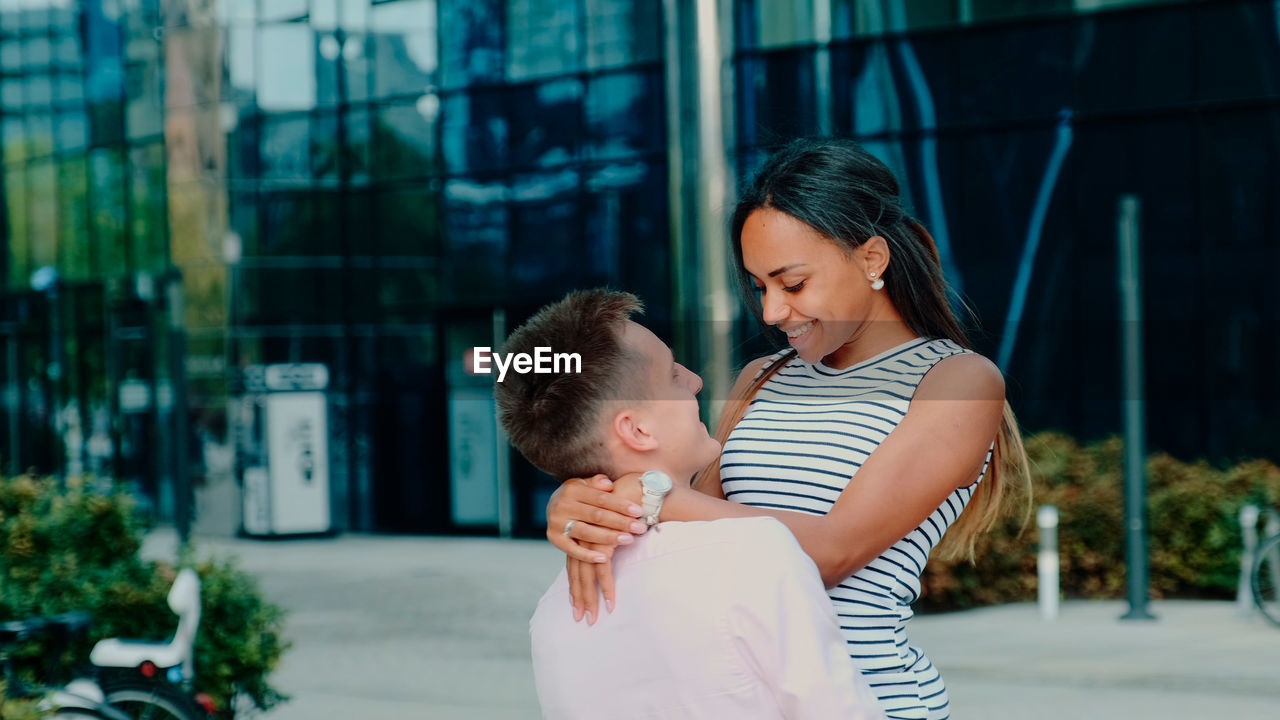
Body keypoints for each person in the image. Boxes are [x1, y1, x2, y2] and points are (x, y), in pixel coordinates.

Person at [545, 138, 1032, 720]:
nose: (773, 311)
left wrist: (653, 497)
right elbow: (694, 540)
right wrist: (588, 506)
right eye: (760, 286)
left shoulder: (957, 381)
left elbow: (832, 550)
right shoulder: (762, 377)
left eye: (793, 283)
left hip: (875, 701)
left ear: (872, 259)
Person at [495, 289, 886, 720]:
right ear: (637, 430)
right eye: (673, 377)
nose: (695, 381)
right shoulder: (754, 552)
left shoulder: (554, 615)